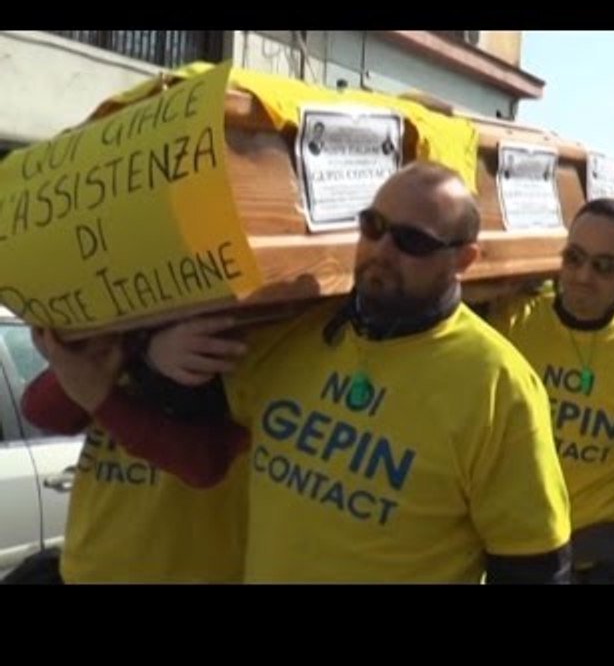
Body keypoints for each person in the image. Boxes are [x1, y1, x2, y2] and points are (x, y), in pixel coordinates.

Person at [44, 161, 572, 584]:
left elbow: (532, 564)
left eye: (412, 241)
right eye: (374, 226)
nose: (382, 250)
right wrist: (143, 355)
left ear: (465, 259)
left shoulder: (497, 385)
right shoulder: (293, 335)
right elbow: (193, 446)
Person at [478, 199, 614, 584]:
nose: (582, 276)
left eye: (603, 266)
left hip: (605, 549)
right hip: (519, 541)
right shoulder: (513, 322)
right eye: (573, 258)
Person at [20, 329, 247, 584]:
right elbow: (41, 412)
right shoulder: (125, 346)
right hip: (85, 570)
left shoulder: (226, 344)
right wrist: (134, 351)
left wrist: (102, 392)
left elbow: (206, 463)